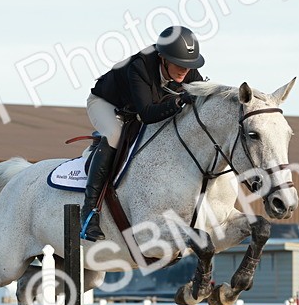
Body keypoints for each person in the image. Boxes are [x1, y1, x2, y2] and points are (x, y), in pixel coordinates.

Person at [81, 25, 206, 241]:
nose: (184, 70)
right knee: (114, 135)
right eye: (179, 64)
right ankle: (89, 212)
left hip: (137, 108)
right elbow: (147, 114)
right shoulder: (140, 66)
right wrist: (178, 102)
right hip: (106, 103)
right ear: (162, 58)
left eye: (189, 64)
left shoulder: (188, 71)